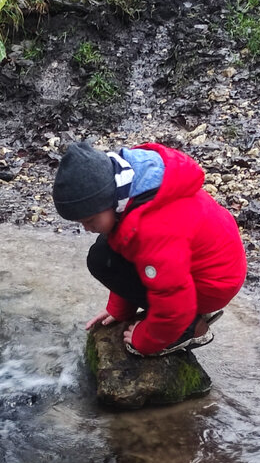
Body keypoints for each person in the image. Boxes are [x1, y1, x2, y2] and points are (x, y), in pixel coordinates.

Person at [52, 139, 247, 357]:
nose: (87, 228)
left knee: (105, 260)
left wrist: (146, 340)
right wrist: (119, 309)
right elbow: (124, 252)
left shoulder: (154, 229)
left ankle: (191, 327)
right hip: (198, 266)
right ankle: (180, 317)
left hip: (213, 284)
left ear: (111, 200)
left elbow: (173, 298)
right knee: (102, 254)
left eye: (89, 220)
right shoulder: (133, 185)